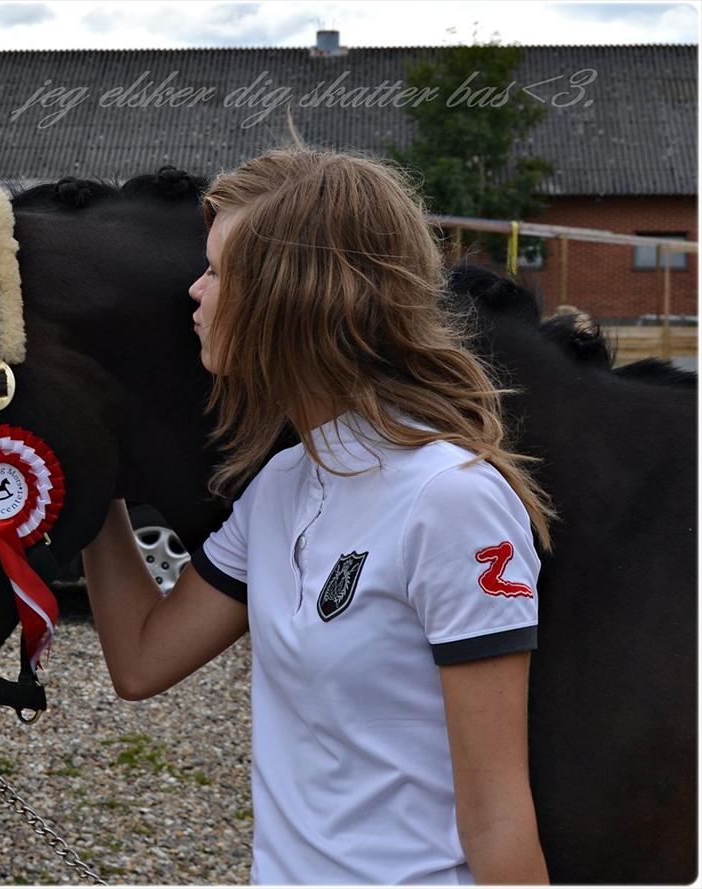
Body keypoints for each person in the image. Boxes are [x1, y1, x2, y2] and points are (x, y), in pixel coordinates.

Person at [81, 144, 554, 885]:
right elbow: (142, 660)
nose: (195, 292)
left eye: (217, 271)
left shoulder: (452, 500)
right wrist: (92, 475)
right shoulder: (282, 485)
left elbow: (497, 817)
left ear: (293, 297)